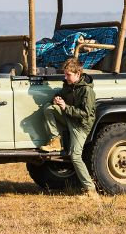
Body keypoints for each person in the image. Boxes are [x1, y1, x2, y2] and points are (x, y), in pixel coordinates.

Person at [37, 56, 99, 198]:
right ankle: (55, 141)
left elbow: (85, 114)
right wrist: (56, 99)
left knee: (75, 156)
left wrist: (66, 107)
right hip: (69, 117)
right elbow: (59, 95)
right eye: (65, 74)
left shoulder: (87, 91)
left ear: (78, 74)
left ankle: (91, 191)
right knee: (49, 108)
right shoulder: (68, 85)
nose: (65, 77)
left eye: (68, 75)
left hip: (80, 126)